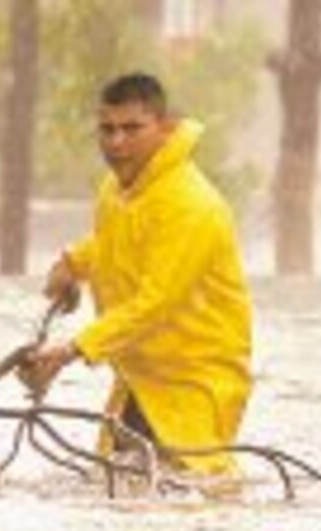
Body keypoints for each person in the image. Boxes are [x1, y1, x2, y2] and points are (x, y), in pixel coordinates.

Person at [26, 72, 253, 480]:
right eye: (108, 129)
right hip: (141, 380)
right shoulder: (117, 190)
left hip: (195, 386)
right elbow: (114, 243)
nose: (117, 142)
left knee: (190, 497)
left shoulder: (191, 206)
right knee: (122, 494)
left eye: (132, 128)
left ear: (164, 130)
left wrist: (70, 351)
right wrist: (72, 265)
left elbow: (154, 305)